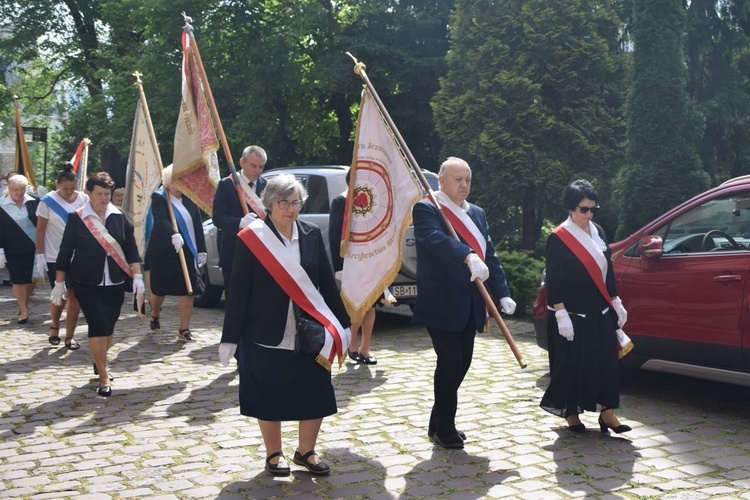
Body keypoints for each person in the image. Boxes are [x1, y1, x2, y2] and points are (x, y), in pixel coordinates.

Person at [220, 174, 351, 477]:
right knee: (268, 393)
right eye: (285, 203)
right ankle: (274, 454)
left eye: (296, 203)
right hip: (265, 331)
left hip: (309, 331)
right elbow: (238, 291)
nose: (292, 209)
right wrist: (229, 338)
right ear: (269, 204)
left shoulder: (311, 233)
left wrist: (342, 323)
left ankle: (306, 451)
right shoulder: (253, 238)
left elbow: (325, 284)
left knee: (316, 391)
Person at [412, 157, 516, 449]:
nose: (463, 185)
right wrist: (467, 255)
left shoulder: (477, 213)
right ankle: (445, 427)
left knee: (462, 364)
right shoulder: (427, 208)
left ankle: (437, 421)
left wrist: (503, 291)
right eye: (457, 179)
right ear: (442, 181)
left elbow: (490, 254)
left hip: (472, 303)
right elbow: (433, 239)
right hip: (442, 302)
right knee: (450, 364)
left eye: (467, 179)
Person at [540, 179, 631, 434]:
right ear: (571, 208)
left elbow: (607, 270)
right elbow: (555, 279)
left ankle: (608, 413)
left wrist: (615, 300)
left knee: (607, 362)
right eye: (584, 209)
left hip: (600, 309)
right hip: (573, 312)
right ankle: (571, 412)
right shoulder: (559, 238)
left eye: (593, 209)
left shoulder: (598, 230)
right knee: (573, 365)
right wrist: (560, 313)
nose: (589, 214)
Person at [52, 172, 144, 398]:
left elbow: (131, 248)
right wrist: (59, 282)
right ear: (89, 194)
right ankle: (103, 375)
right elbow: (65, 251)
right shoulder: (78, 218)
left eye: (107, 193)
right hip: (86, 281)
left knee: (109, 326)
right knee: (97, 324)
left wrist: (138, 276)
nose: (104, 198)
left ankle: (99, 360)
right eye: (99, 193)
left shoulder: (119, 217)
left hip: (115, 280)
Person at [146, 165, 206, 342]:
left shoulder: (190, 198)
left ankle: (184, 329)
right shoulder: (159, 197)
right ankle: (155, 314)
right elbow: (161, 219)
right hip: (164, 249)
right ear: (167, 182)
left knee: (187, 290)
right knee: (159, 289)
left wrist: (201, 249)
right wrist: (173, 234)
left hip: (186, 249)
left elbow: (197, 224)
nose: (179, 186)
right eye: (174, 182)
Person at [36, 164, 88, 348]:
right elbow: (40, 230)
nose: (68, 192)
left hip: (78, 256)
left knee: (75, 295)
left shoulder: (83, 199)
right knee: (60, 294)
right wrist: (40, 255)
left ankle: (70, 336)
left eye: (72, 188)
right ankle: (54, 325)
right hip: (54, 256)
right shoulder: (47, 201)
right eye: (65, 188)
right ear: (57, 184)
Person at [328, 169, 377, 365]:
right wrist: (339, 266)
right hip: (350, 263)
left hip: (369, 261)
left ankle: (365, 348)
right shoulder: (341, 201)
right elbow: (334, 237)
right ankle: (352, 344)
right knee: (357, 306)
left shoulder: (371, 202)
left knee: (371, 304)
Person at [212, 145, 268, 295]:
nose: (257, 171)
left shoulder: (266, 186)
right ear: (242, 162)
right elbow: (218, 218)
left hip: (260, 252)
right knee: (235, 300)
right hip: (234, 252)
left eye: (261, 167)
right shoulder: (227, 184)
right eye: (253, 166)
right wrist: (239, 222)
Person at [0, 174, 39, 323]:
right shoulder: (2, 204)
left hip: (33, 246)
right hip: (11, 248)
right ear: (9, 188)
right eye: (15, 189)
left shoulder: (34, 202)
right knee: (17, 279)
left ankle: (24, 303)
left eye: (22, 189)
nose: (18, 193)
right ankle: (23, 309)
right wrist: (0, 250)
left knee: (31, 279)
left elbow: (40, 224)